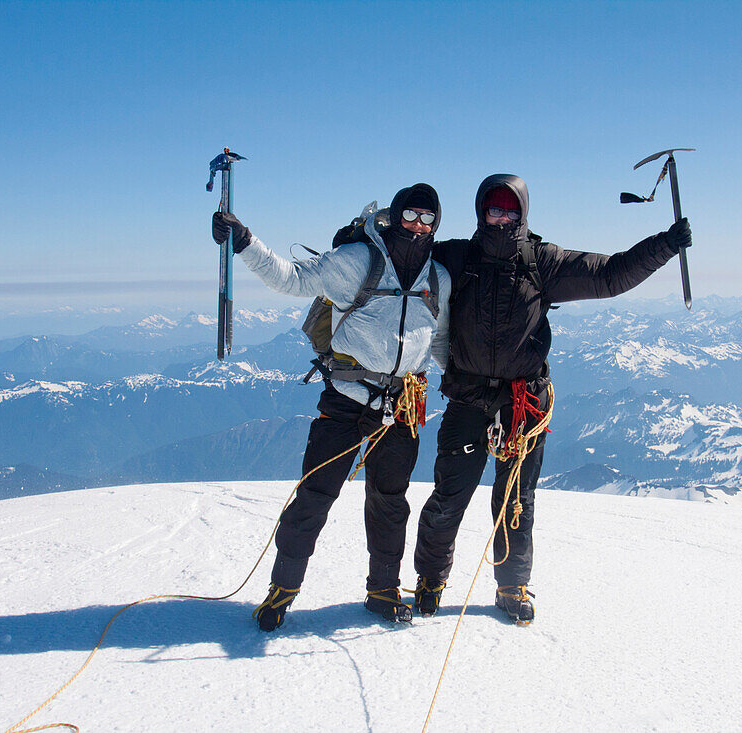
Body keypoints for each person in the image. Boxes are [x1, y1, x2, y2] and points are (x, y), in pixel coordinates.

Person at [411, 174, 692, 624]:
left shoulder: (542, 261)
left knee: (517, 497)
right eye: (493, 210)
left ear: (522, 214)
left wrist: (664, 245)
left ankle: (511, 585)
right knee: (449, 494)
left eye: (510, 211)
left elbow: (610, 275)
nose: (501, 218)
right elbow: (406, 252)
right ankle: (430, 579)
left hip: (522, 403)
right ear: (481, 211)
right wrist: (361, 237)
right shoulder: (458, 256)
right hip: (468, 399)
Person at [212, 183, 451, 630]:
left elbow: (438, 339)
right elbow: (293, 278)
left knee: (390, 502)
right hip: (346, 400)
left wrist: (463, 382)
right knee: (315, 495)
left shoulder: (438, 278)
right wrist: (245, 242)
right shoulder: (357, 262)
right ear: (396, 216)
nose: (419, 226)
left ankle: (383, 591)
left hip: (401, 406)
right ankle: (282, 591)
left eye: (428, 219)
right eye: (411, 216)